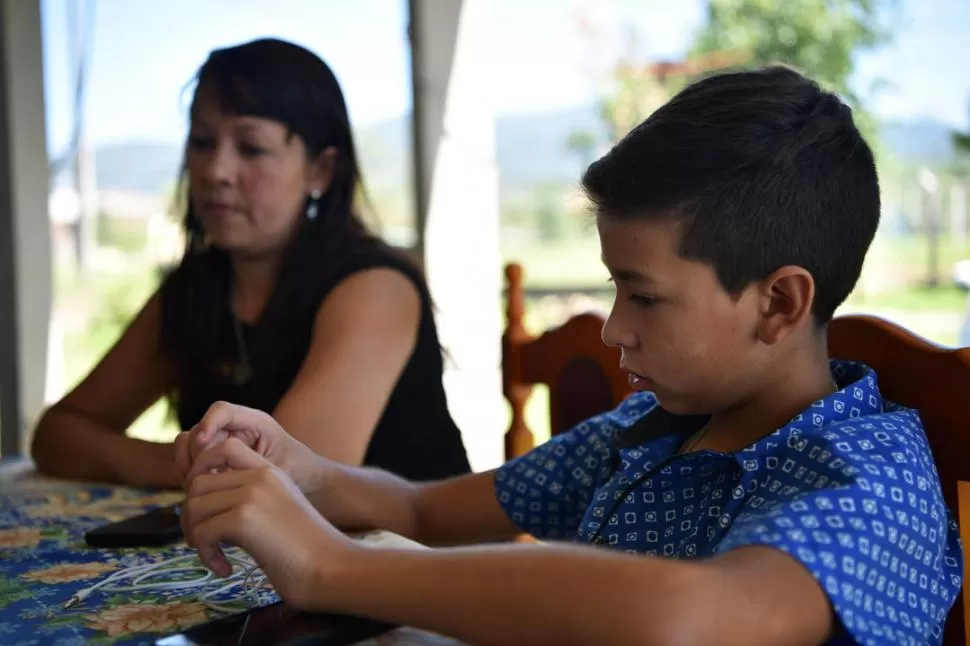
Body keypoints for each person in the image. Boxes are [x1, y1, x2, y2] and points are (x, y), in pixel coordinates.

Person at [176, 66, 963, 645]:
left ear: (780, 303)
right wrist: (305, 471)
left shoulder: (870, 476)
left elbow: (690, 616)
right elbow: (422, 510)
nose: (614, 329)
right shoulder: (646, 433)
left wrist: (331, 567)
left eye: (643, 296)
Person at [31, 38, 470, 489]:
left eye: (252, 148)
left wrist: (182, 464)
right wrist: (186, 466)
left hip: (416, 556)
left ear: (321, 171)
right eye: (202, 141)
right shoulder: (196, 288)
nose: (216, 170)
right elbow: (57, 435)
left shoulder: (375, 287)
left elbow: (287, 484)